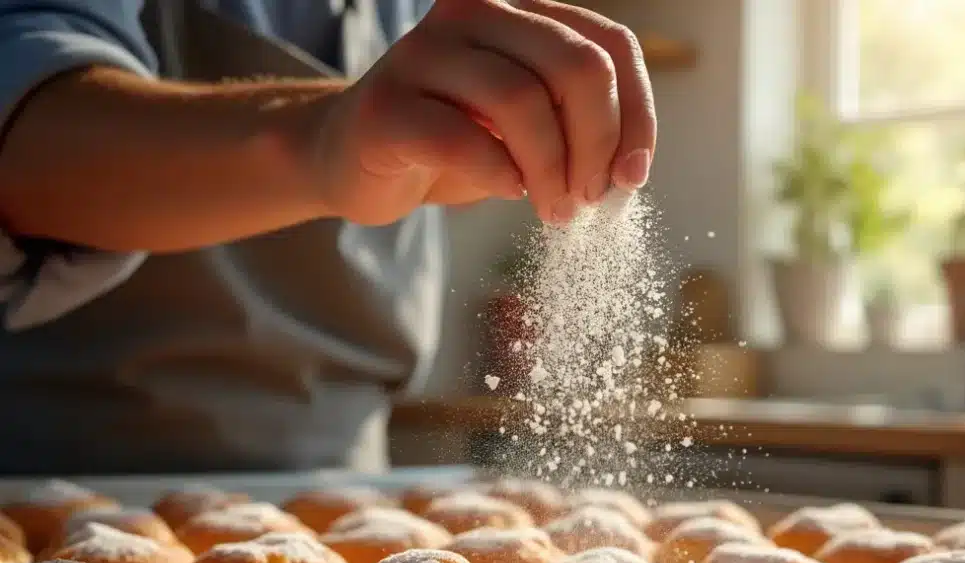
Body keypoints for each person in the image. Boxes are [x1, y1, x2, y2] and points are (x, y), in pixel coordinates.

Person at [0, 0, 656, 475]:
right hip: (69, 496)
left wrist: (457, 159)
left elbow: (399, 185)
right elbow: (24, 146)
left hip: (355, 488)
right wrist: (317, 142)